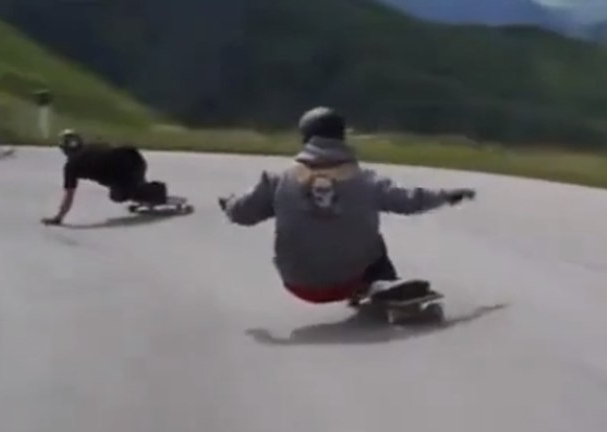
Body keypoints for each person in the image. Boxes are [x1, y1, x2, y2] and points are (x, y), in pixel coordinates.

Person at [217, 106, 475, 306]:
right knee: (374, 239)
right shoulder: (366, 180)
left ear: (305, 138)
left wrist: (229, 204)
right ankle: (384, 283)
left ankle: (373, 287)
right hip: (351, 281)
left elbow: (242, 214)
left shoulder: (277, 181)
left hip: (299, 284)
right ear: (341, 137)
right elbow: (410, 201)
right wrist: (447, 195)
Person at [41, 129, 171, 225]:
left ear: (63, 149)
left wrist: (58, 217)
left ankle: (157, 191)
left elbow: (69, 195)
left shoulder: (71, 166)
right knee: (125, 188)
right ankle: (141, 189)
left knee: (118, 196)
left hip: (126, 171)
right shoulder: (91, 147)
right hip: (135, 159)